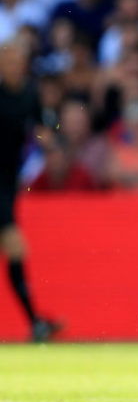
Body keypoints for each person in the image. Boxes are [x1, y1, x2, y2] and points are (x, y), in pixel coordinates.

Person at [0, 42, 62, 342]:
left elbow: (39, 126)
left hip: (8, 180)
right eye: (7, 60)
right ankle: (34, 321)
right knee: (14, 246)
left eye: (16, 60)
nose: (12, 65)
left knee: (14, 249)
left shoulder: (29, 94)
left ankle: (35, 321)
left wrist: (48, 139)